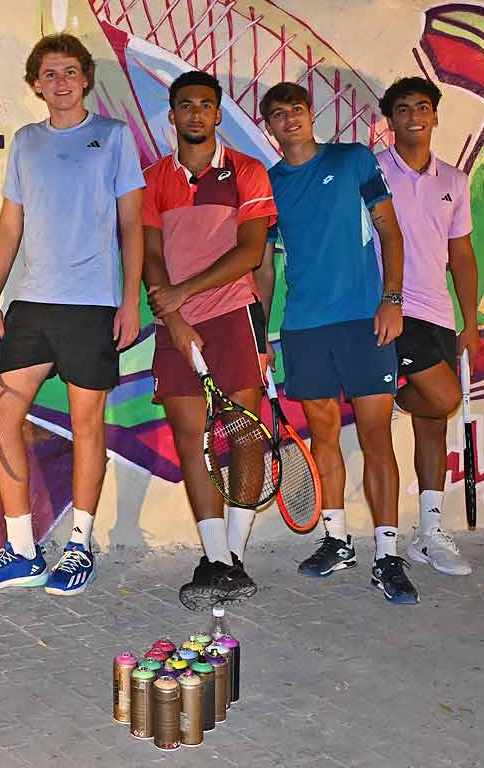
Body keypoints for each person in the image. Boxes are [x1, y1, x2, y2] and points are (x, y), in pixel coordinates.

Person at [0, 33, 144, 597]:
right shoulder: (26, 142)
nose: (60, 83)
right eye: (49, 74)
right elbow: (9, 224)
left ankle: (79, 547)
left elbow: (131, 224)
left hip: (92, 306)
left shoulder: (114, 137)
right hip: (32, 304)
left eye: (69, 72)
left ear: (86, 79)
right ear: (36, 85)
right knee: (3, 420)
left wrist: (129, 300)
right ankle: (22, 552)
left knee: (88, 427)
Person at [253, 81, 419, 604]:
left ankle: (387, 555)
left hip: (364, 323)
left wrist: (392, 299)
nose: (290, 119)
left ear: (311, 114)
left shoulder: (353, 160)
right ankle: (337, 540)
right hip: (304, 328)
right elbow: (263, 268)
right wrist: (261, 335)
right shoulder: (269, 184)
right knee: (324, 438)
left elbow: (390, 232)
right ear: (269, 126)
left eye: (297, 110)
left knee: (376, 438)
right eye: (278, 114)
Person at [140, 72, 276, 608]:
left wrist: (182, 294)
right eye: (185, 105)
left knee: (244, 436)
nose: (195, 113)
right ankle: (216, 557)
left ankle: (233, 558)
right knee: (192, 440)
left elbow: (251, 252)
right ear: (172, 115)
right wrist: (173, 316)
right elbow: (151, 254)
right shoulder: (153, 179)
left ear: (218, 115)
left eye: (205, 105)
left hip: (234, 315)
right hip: (175, 324)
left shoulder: (248, 171)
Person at [376, 78, 481, 577]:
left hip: (439, 313)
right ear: (390, 120)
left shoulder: (454, 180)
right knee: (443, 397)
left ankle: (429, 533)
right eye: (403, 109)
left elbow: (461, 254)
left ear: (435, 116)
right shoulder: (372, 171)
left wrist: (470, 322)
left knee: (434, 423)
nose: (414, 116)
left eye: (422, 107)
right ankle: (401, 397)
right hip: (392, 310)